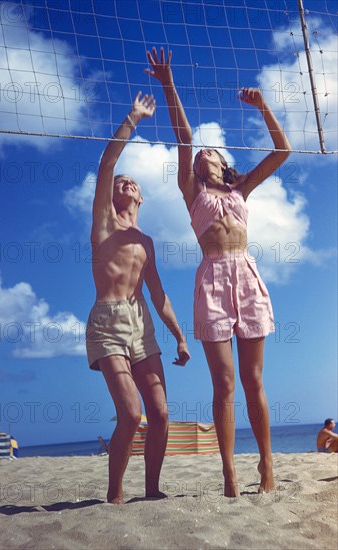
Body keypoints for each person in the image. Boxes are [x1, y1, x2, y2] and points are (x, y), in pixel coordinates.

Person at [146, 47, 291, 497]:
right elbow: (184, 135)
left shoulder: (240, 186)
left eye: (209, 153)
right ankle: (229, 472)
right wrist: (168, 83)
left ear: (223, 163)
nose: (200, 155)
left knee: (254, 380)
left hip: (246, 274)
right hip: (211, 277)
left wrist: (264, 106)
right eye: (197, 156)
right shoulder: (193, 193)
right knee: (225, 383)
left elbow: (282, 150)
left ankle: (267, 465)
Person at [86, 90, 190, 504]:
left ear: (141, 198)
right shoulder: (104, 223)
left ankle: (151, 491)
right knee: (131, 413)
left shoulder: (145, 240)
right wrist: (132, 118)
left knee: (161, 414)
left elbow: (160, 294)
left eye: (134, 182)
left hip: (142, 323)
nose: (126, 181)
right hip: (108, 321)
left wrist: (180, 335)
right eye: (121, 182)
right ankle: (114, 494)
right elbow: (107, 162)